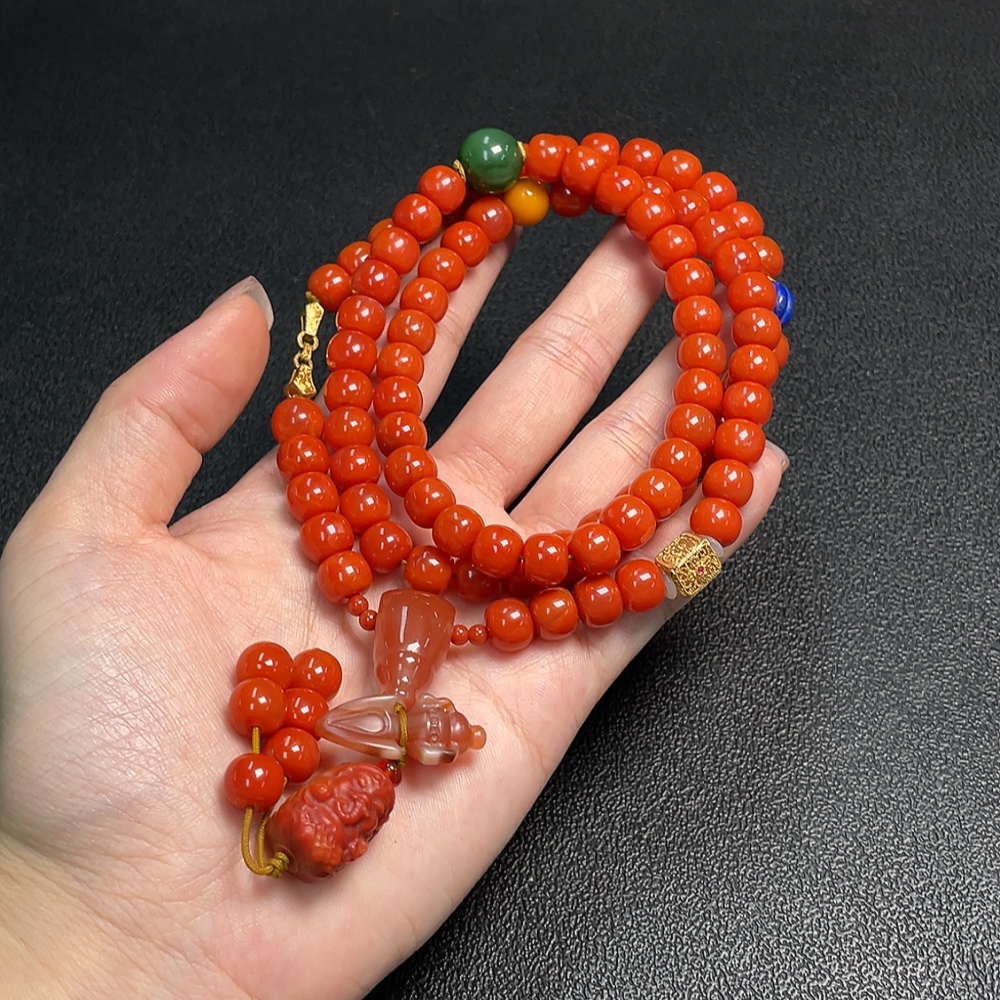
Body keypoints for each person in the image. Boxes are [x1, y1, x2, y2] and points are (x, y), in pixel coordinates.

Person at [0, 224, 786, 998]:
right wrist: (92, 920)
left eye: (331, 803)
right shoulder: (356, 721)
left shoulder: (365, 718)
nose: (345, 801)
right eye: (348, 814)